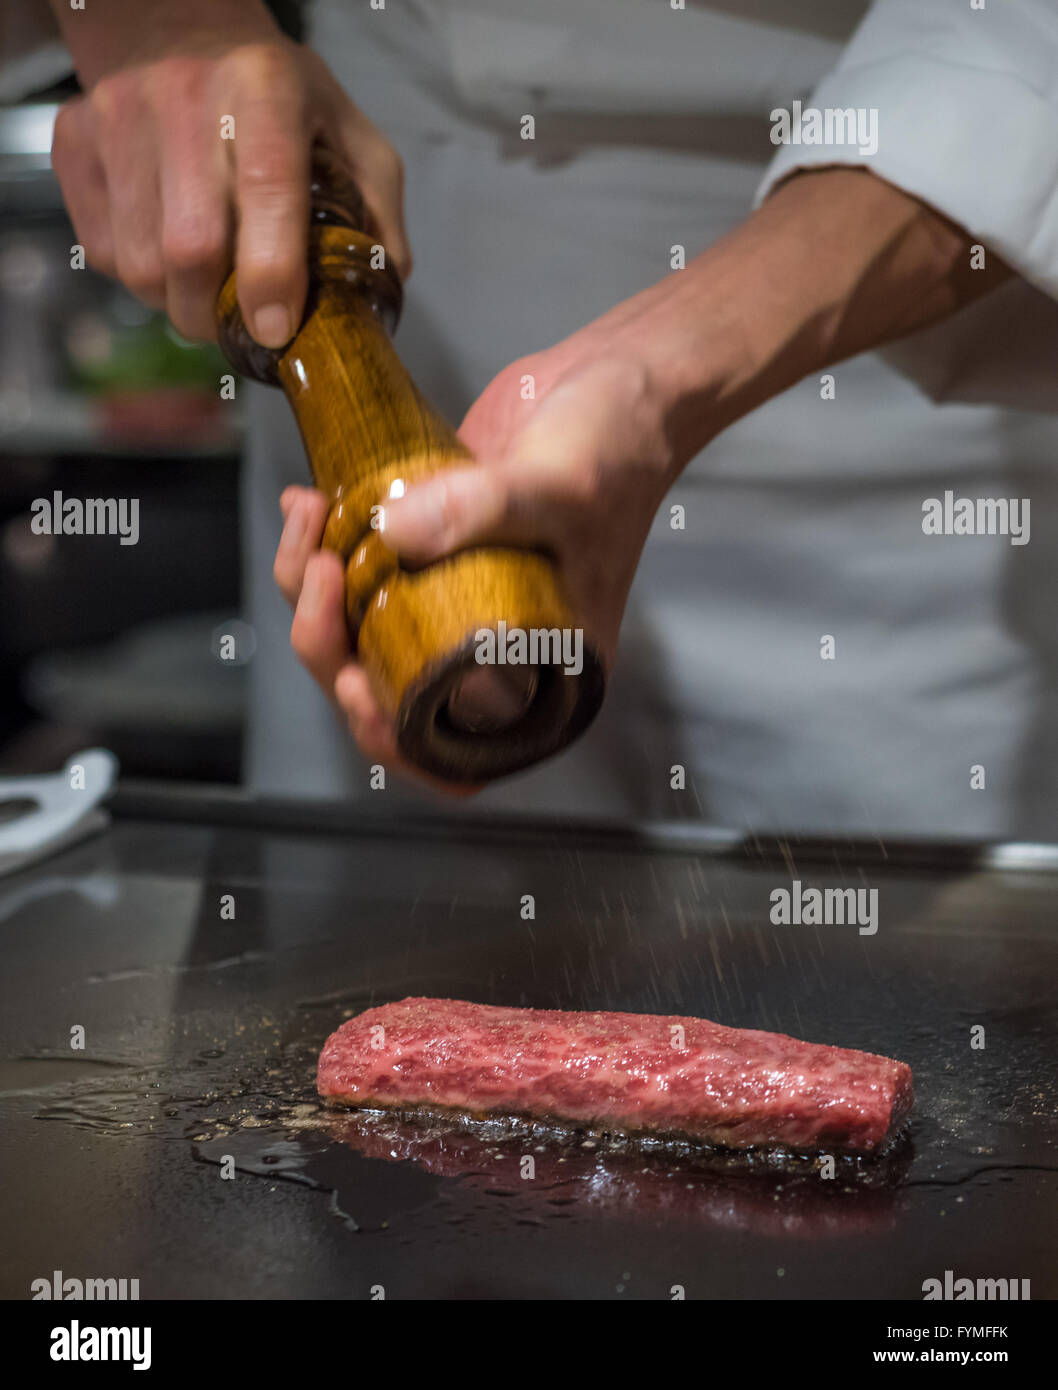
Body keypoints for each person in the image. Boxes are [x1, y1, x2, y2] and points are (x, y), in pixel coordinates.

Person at [33, 0, 1058, 835]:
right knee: (396, 984)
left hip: (901, 361)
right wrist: (160, 27)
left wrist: (649, 381)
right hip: (395, 204)